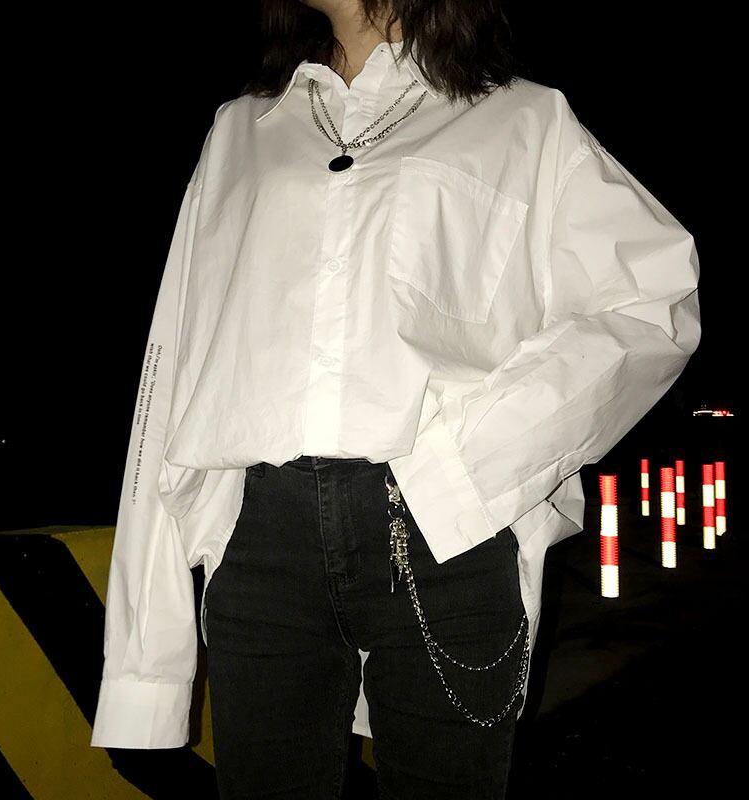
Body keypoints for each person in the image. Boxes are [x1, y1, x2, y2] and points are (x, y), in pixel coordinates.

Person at [89, 1, 701, 798]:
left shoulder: (523, 119)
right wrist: (144, 665)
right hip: (261, 538)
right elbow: (172, 365)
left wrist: (466, 465)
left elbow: (652, 300)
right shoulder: (243, 128)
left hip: (441, 537)